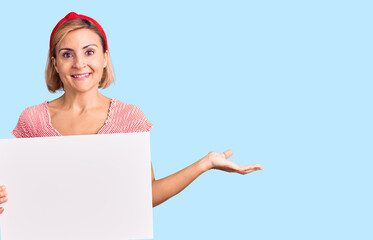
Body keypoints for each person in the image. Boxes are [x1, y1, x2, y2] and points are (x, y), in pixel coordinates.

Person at [0, 12, 262, 215]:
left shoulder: (127, 118)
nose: (79, 63)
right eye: (67, 54)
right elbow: (19, 196)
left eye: (89, 52)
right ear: (55, 63)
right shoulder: (32, 120)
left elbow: (145, 196)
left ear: (104, 57)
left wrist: (205, 164)